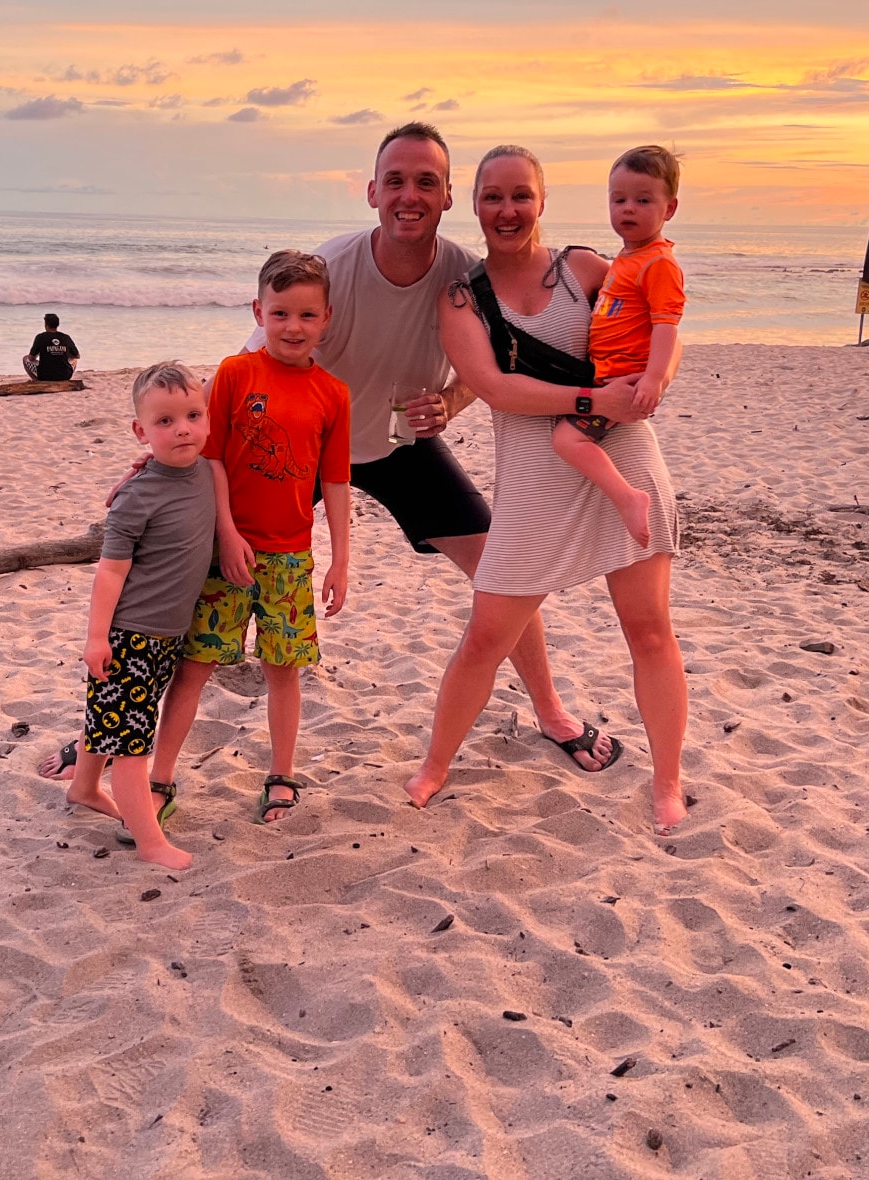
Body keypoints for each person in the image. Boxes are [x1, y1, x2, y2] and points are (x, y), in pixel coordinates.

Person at [257, 121, 627, 774]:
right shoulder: (332, 266)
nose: (410, 194)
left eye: (426, 182)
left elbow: (504, 362)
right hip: (309, 443)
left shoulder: (464, 274)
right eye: (395, 181)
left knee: (500, 569)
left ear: (448, 196)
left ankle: (550, 711)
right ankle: (107, 738)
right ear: (372, 191)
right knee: (195, 557)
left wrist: (449, 404)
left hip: (402, 438)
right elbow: (256, 356)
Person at [406, 145, 688, 834]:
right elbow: (498, 387)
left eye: (521, 196)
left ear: (542, 201)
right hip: (536, 477)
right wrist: (596, 399)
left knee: (649, 632)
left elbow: (659, 330)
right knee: (485, 637)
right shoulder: (461, 297)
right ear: (473, 205)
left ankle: (668, 780)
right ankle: (436, 765)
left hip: (622, 462)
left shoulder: (586, 269)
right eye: (493, 197)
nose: (507, 210)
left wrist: (654, 385)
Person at [147, 250, 352, 826]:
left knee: (284, 670)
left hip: (291, 556)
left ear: (327, 317)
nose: (293, 327)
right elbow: (207, 458)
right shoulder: (236, 373)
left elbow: (335, 480)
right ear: (258, 310)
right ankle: (159, 777)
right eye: (281, 313)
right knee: (196, 666)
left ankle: (282, 773)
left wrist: (339, 561)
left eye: (307, 316)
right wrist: (228, 534)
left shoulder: (333, 393)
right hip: (227, 552)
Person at [53, 362, 216, 869]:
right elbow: (109, 572)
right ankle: (149, 841)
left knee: (111, 721)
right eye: (164, 421)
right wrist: (96, 638)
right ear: (140, 431)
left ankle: (82, 789)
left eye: (192, 415)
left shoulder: (208, 473)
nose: (182, 428)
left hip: (168, 636)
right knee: (130, 744)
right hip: (130, 637)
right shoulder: (135, 496)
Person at [550, 146, 686, 544]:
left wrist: (652, 380)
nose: (628, 209)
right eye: (619, 199)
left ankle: (628, 498)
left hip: (624, 381)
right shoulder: (629, 259)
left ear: (669, 208)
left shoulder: (658, 263)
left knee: (567, 439)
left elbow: (667, 326)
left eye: (644, 200)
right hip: (605, 376)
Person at [26, 314, 81, 382]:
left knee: (25, 358)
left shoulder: (40, 337)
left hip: (45, 375)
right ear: (57, 325)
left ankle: (37, 380)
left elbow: (31, 358)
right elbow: (77, 356)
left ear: (46, 325)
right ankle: (66, 378)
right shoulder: (66, 337)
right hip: (65, 375)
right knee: (74, 359)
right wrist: (63, 352)